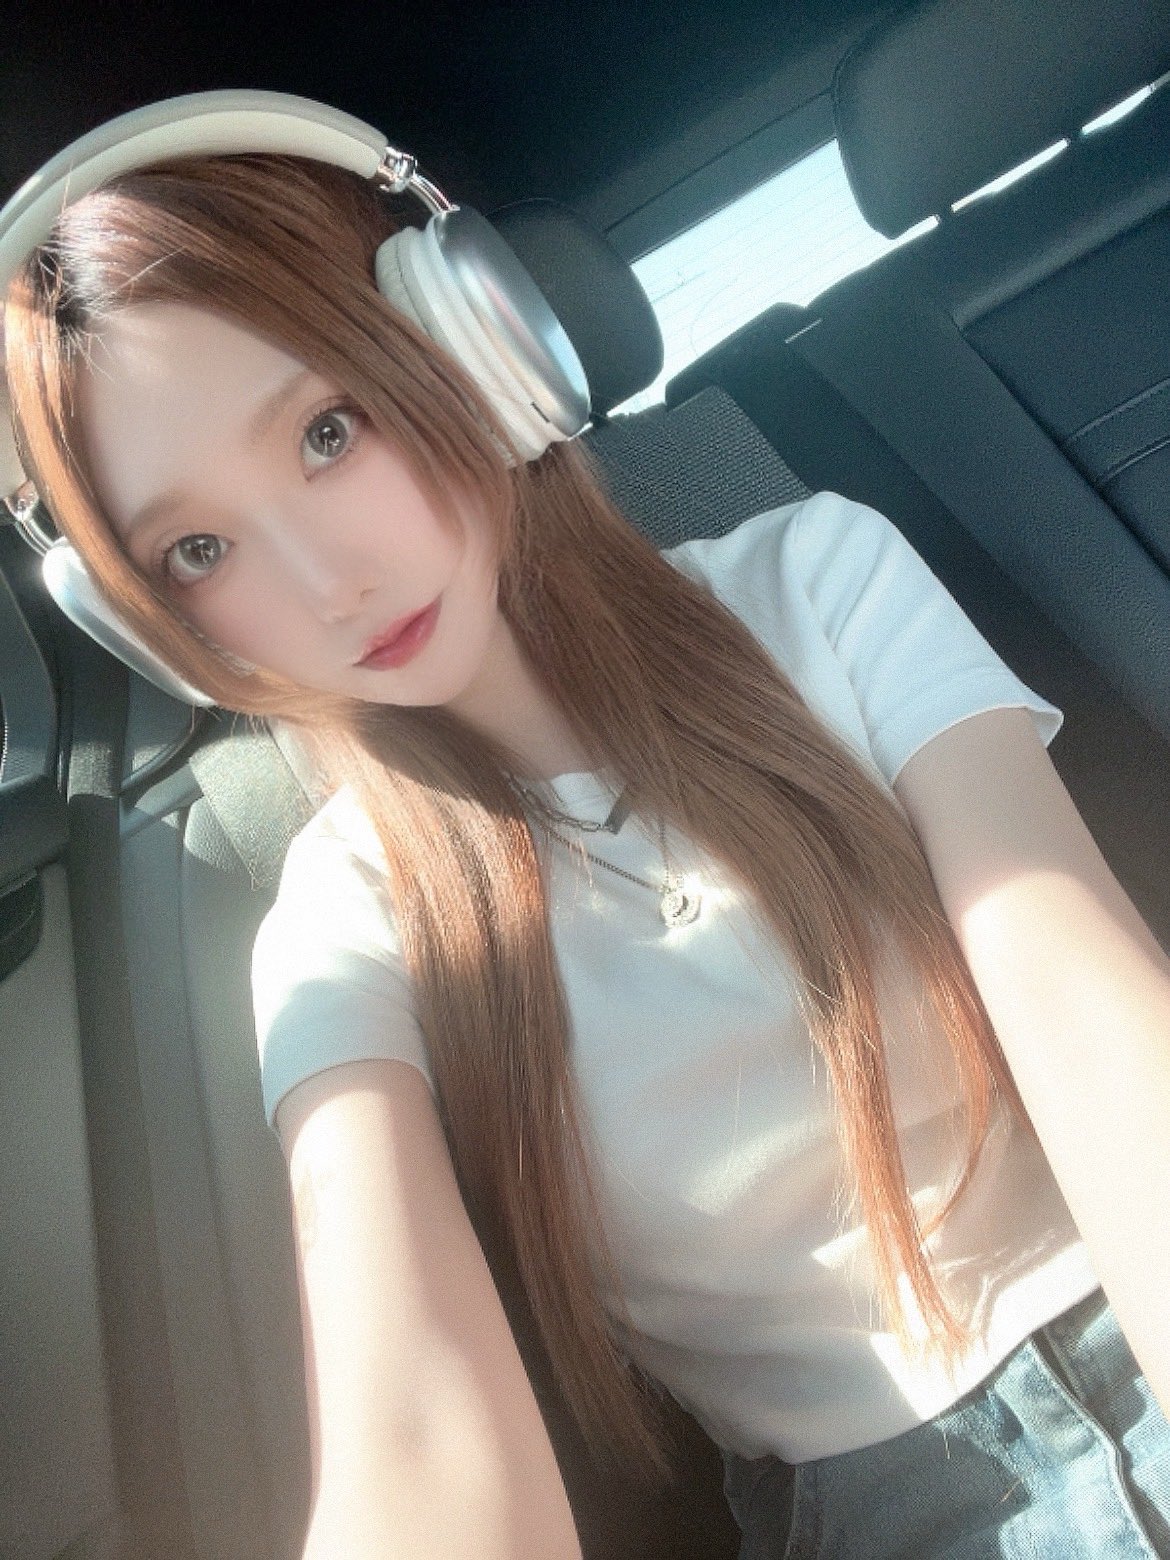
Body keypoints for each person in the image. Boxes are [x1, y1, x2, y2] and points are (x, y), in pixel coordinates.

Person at [3, 101, 1169, 1560]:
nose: (320, 581)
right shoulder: (341, 923)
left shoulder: (818, 580)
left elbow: (1088, 1007)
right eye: (197, 550)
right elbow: (412, 1436)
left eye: (326, 431)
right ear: (151, 626)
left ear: (464, 341)